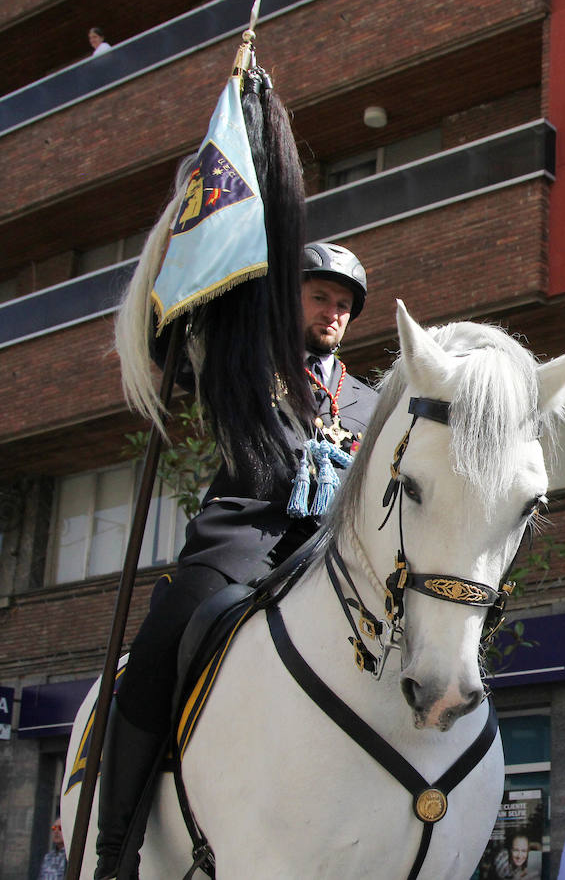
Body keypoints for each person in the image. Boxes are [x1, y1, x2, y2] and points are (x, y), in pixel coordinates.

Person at [93, 241, 377, 879]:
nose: (334, 312)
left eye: (344, 305)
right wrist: (182, 278)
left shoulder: (367, 399)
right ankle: (116, 849)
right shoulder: (246, 363)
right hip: (242, 540)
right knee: (162, 641)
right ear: (289, 300)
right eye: (320, 296)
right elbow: (168, 350)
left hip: (328, 556)